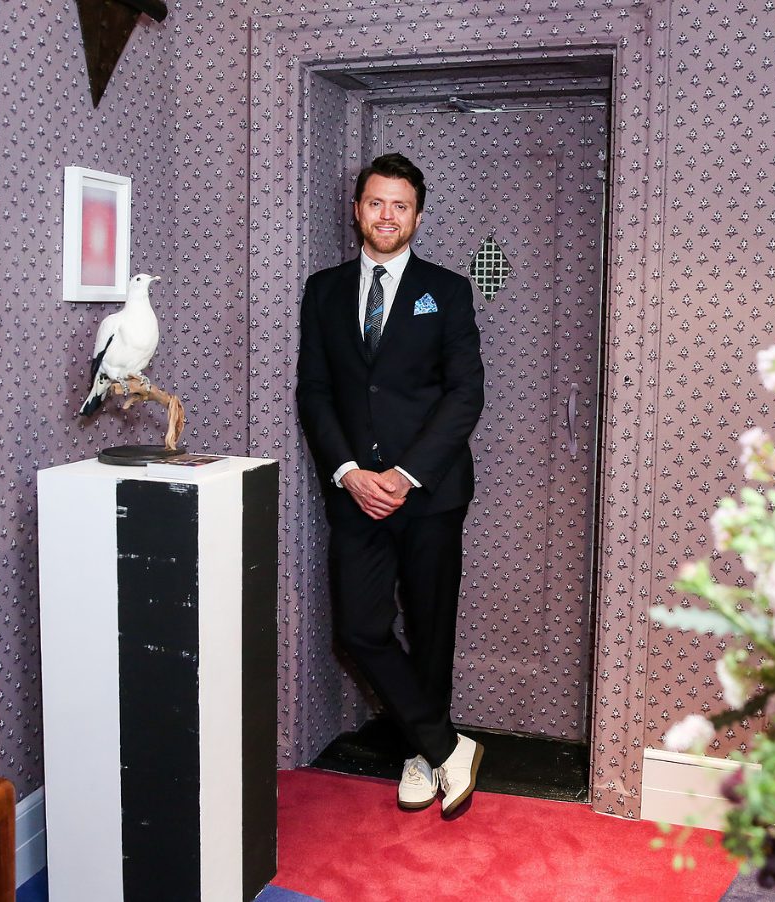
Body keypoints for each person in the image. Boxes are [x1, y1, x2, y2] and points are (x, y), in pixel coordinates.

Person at [296, 153, 486, 816]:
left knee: (431, 630)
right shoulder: (323, 290)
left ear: (417, 216)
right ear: (357, 210)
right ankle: (446, 746)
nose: (386, 215)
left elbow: (464, 395)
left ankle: (421, 756)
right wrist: (349, 473)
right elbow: (315, 391)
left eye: (399, 205)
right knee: (359, 629)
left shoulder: (448, 290)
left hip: (430, 493)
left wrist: (405, 476)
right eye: (376, 202)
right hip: (354, 493)